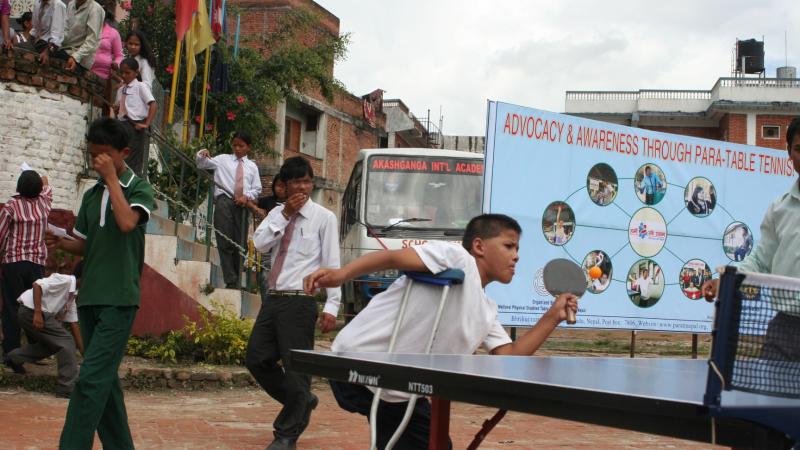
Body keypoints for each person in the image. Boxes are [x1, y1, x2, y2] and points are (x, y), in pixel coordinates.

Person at [302, 214, 577, 449]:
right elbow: (392, 257)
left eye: (517, 249)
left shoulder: (486, 310)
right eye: (509, 246)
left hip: (400, 387)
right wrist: (342, 275)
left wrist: (552, 317)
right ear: (479, 246)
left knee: (429, 443)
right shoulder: (457, 258)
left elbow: (510, 354)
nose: (516, 256)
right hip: (359, 362)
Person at [46, 117, 155, 449]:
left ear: (123, 152)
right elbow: (86, 242)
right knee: (105, 385)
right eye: (93, 155)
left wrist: (111, 180)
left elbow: (125, 223)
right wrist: (62, 242)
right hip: (90, 297)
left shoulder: (139, 188)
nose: (97, 162)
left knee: (90, 381)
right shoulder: (92, 196)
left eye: (104, 155)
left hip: (119, 298)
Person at [247, 156, 340, 450]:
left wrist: (331, 306)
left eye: (307, 181)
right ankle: (302, 401)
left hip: (300, 303)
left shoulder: (324, 218)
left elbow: (332, 264)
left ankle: (286, 434)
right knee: (256, 359)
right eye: (296, 182)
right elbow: (260, 244)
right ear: (283, 187)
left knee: (296, 368)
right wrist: (284, 213)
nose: (302, 187)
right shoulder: (276, 213)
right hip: (273, 298)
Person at [703, 117, 800, 361]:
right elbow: (760, 261)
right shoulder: (779, 209)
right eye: (799, 149)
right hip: (785, 329)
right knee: (772, 397)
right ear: (789, 153)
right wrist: (725, 282)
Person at [5, 262, 84, 397]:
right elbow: (37, 285)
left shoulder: (72, 296)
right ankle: (65, 387)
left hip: (33, 313)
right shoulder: (65, 280)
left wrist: (84, 352)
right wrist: (37, 313)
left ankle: (13, 357)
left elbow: (73, 323)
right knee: (66, 341)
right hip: (31, 311)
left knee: (53, 345)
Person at [196, 131, 262, 289]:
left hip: (242, 205)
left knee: (240, 243)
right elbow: (202, 164)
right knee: (224, 239)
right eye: (235, 145)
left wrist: (246, 197)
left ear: (248, 147)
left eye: (241, 146)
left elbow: (257, 188)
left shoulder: (252, 166)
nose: (237, 149)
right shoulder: (222, 159)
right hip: (224, 201)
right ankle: (231, 280)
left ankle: (238, 277)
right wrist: (202, 154)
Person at [0, 170, 53, 367]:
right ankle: (36, 350)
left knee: (12, 308)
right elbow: (47, 185)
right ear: (38, 189)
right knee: (33, 307)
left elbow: (1, 234)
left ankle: (12, 353)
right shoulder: (45, 204)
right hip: (36, 263)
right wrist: (40, 180)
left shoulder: (11, 206)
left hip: (13, 262)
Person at [114, 57, 156, 178]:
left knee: (132, 159)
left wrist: (146, 124)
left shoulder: (141, 87)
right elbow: (119, 107)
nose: (124, 75)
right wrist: (116, 109)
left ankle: (132, 184)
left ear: (136, 73)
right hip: (122, 125)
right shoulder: (121, 89)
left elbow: (153, 104)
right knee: (120, 155)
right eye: (121, 72)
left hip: (135, 126)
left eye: (127, 72)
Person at [53, 0, 103, 72]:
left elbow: (91, 41)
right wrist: (55, 42)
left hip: (82, 58)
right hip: (66, 50)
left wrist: (75, 57)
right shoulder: (71, 4)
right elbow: (65, 30)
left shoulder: (95, 9)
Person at [28, 0, 66, 65]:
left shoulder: (58, 5)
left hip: (49, 45)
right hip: (38, 41)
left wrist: (46, 52)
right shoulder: (37, 3)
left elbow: (56, 35)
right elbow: (35, 29)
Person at [89, 10, 122, 80]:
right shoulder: (87, 29)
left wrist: (116, 64)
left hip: (103, 76)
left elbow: (119, 55)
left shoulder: (113, 33)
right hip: (85, 71)